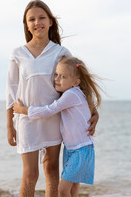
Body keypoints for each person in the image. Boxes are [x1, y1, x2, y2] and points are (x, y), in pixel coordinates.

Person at [6, 0, 99, 197]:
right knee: (30, 175)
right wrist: (9, 125)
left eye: (41, 18)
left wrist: (94, 113)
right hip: (26, 120)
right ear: (26, 24)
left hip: (54, 120)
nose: (37, 22)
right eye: (31, 19)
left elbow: (78, 85)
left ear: (50, 22)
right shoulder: (18, 54)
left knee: (51, 171)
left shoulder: (61, 52)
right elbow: (11, 92)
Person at [13, 56, 101, 197]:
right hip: (72, 149)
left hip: (80, 150)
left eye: (63, 76)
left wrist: (23, 110)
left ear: (75, 82)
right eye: (56, 75)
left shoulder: (71, 94)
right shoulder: (75, 93)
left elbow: (49, 110)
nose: (57, 79)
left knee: (62, 190)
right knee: (72, 191)